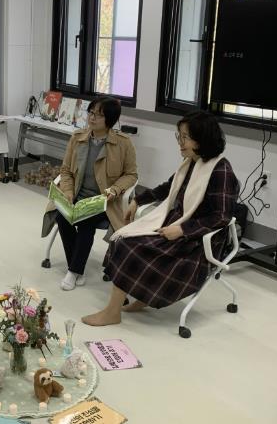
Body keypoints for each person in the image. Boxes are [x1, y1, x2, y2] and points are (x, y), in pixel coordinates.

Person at [82, 110, 239, 326]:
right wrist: (138, 200)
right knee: (123, 237)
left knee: (132, 248)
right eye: (179, 136)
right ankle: (141, 297)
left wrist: (183, 230)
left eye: (185, 137)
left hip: (198, 242)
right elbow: (168, 187)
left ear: (201, 139)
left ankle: (112, 312)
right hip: (177, 227)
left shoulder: (221, 171)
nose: (180, 142)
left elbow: (221, 217)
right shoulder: (192, 162)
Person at [41, 97, 138, 291]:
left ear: (110, 119)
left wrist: (114, 190)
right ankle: (77, 269)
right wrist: (68, 191)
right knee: (62, 217)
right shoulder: (77, 138)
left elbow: (131, 174)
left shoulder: (123, 143)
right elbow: (66, 170)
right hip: (76, 196)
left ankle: (73, 271)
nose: (92, 118)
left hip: (104, 201)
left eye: (99, 115)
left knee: (86, 223)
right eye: (91, 113)